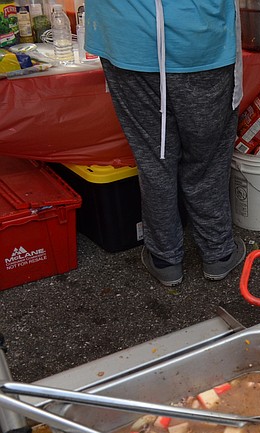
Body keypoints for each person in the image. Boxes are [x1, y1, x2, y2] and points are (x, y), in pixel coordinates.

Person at [84, 0, 246, 287]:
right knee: (206, 161)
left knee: (154, 160)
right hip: (200, 41)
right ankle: (217, 252)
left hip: (127, 39)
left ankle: (165, 259)